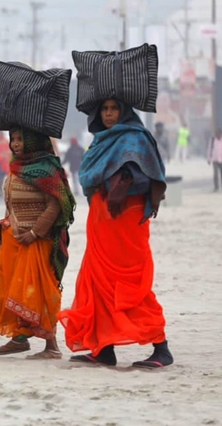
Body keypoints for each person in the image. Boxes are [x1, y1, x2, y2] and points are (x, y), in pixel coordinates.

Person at [59, 98, 172, 368]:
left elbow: (151, 175)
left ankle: (161, 347)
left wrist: (124, 181)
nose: (109, 114)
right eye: (105, 109)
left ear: (124, 111)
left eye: (114, 109)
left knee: (130, 285)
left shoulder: (136, 137)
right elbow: (90, 175)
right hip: (101, 222)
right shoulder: (100, 141)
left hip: (126, 223)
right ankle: (103, 348)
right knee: (98, 283)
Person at [0, 128, 75, 359]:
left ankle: (51, 345)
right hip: (13, 239)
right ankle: (20, 338)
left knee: (40, 291)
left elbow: (56, 205)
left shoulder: (46, 169)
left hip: (37, 242)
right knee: (12, 289)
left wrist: (35, 232)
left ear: (34, 141)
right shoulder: (15, 166)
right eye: (13, 139)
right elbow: (10, 205)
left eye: (20, 139)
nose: (15, 143)